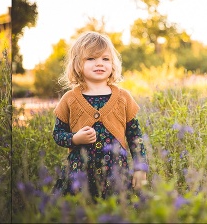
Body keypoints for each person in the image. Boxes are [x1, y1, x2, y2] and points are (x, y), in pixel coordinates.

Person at [52, 31, 147, 199]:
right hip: (79, 175)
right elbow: (58, 134)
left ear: (113, 64)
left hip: (116, 175)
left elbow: (135, 137)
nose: (99, 63)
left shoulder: (123, 97)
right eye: (91, 59)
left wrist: (140, 168)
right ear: (77, 64)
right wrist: (75, 138)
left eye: (105, 59)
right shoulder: (70, 99)